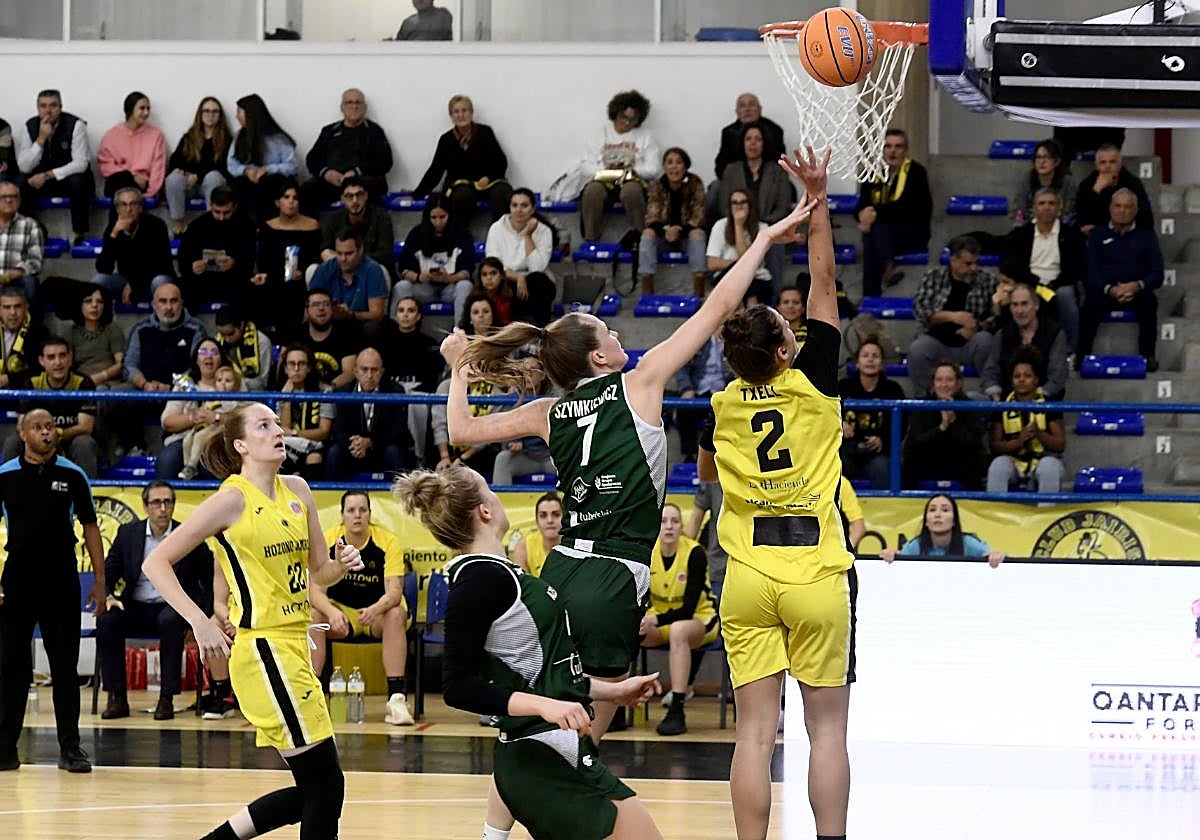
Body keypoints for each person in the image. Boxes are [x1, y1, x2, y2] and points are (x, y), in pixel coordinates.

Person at [438, 150, 817, 743]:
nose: (617, 335)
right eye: (608, 332)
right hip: (613, 576)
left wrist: (461, 366)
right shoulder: (639, 385)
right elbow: (717, 307)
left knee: (542, 725)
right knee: (583, 744)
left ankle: (498, 832)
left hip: (559, 568)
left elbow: (459, 433)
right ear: (598, 358)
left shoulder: (546, 412)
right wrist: (764, 237)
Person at [695, 147, 851, 840]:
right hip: (816, 570)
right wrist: (815, 200)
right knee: (826, 733)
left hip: (747, 576)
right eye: (789, 328)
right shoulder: (813, 379)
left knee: (754, 735)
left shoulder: (721, 405)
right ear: (786, 351)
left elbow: (705, 480)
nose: (797, 324)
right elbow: (823, 280)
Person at [393, 465, 664, 840]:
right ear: (484, 511)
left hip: (552, 752)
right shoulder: (478, 578)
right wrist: (545, 707)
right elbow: (457, 686)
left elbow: (543, 673)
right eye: (490, 488)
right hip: (541, 757)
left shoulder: (502, 573)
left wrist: (613, 691)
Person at [141, 403, 364, 839]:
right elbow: (156, 563)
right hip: (262, 652)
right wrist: (201, 621)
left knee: (319, 787)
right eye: (265, 425)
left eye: (278, 423)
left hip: (295, 645)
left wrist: (340, 564)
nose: (278, 430)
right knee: (325, 784)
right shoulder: (231, 500)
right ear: (241, 444)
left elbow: (319, 571)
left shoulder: (298, 489)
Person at [0, 409, 104, 774]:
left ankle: (71, 749)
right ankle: (5, 748)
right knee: (11, 666)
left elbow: (91, 528)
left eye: (50, 427)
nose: (46, 432)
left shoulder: (72, 475)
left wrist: (101, 584)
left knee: (65, 667)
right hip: (17, 578)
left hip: (61, 577)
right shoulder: (5, 476)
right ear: (23, 433)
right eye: (38, 427)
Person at [97, 480, 214, 721]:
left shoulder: (188, 535)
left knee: (171, 621)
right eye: (156, 503)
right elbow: (109, 570)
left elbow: (209, 577)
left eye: (167, 502)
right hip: (136, 604)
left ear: (173, 505)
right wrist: (108, 596)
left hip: (172, 607)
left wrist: (202, 615)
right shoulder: (128, 534)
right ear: (145, 506)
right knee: (108, 620)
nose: (162, 508)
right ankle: (117, 697)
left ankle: (166, 699)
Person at [308, 490, 414, 726]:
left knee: (396, 613)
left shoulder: (387, 541)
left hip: (376, 613)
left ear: (370, 514)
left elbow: (395, 592)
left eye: (362, 510)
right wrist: (333, 612)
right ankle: (311, 696)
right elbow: (314, 591)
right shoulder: (328, 540)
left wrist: (376, 609)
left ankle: (396, 699)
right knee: (314, 616)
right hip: (341, 614)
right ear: (342, 515)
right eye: (351, 510)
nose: (357, 516)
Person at [640, 502, 719, 737]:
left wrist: (655, 620)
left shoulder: (694, 553)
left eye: (674, 521)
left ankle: (677, 707)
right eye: (663, 521)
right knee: (627, 629)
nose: (669, 526)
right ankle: (617, 706)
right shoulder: (647, 553)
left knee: (678, 630)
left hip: (699, 620)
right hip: (662, 620)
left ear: (681, 526)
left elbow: (687, 609)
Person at [1078, 188, 1164, 371]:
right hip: (1105, 291)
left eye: (1127, 207)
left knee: (1149, 302)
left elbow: (1157, 273)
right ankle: (1081, 357)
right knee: (1090, 303)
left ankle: (1148, 357)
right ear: (1110, 208)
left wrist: (1136, 286)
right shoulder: (1097, 234)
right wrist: (1110, 289)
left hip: (1136, 292)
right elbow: (1090, 272)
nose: (1122, 211)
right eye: (1118, 206)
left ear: (1135, 210)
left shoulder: (1147, 236)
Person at [909, 234, 997, 396]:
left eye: (976, 263)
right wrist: (952, 317)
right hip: (937, 341)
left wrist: (977, 327)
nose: (973, 268)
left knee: (986, 340)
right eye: (968, 263)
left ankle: (990, 392)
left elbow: (996, 316)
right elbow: (920, 310)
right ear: (953, 260)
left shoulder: (988, 280)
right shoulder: (933, 277)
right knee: (918, 349)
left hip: (970, 342)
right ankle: (926, 398)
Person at [2, 337, 102, 477]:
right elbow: (21, 425)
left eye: (62, 356)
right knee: (13, 442)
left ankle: (87, 493)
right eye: (51, 357)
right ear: (41, 361)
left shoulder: (83, 383)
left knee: (84, 443)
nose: (58, 362)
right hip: (37, 441)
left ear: (70, 358)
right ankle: (9, 493)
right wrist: (41, 439)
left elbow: (85, 427)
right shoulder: (32, 383)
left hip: (70, 441)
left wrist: (56, 435)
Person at [1004, 188, 1086, 352]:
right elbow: (1015, 267)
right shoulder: (1021, 234)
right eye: (1042, 203)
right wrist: (1037, 285)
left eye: (1051, 203)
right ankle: (1016, 348)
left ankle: (1071, 350)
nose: (1046, 207)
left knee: (1066, 295)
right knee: (1018, 295)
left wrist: (1052, 286)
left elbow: (1073, 269)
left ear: (1059, 207)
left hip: (1060, 283)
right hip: (1029, 283)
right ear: (1033, 208)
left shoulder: (1071, 234)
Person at [855, 128, 933, 296]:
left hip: (910, 232)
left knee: (875, 229)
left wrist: (874, 214)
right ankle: (887, 266)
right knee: (873, 233)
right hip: (881, 234)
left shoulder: (916, 172)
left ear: (905, 150)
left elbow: (910, 209)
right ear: (881, 149)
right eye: (888, 146)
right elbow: (861, 204)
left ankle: (870, 298)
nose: (892, 151)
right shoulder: (872, 171)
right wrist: (863, 216)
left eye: (898, 147)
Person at [413, 94, 511, 223]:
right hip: (460, 187)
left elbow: (500, 161)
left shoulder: (485, 133)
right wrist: (416, 195)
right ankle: (460, 237)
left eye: (464, 110)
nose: (461, 115)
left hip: (486, 183)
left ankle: (499, 235)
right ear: (451, 116)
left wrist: (489, 177)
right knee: (462, 196)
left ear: (471, 113)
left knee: (502, 192)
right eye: (456, 112)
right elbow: (435, 170)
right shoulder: (446, 140)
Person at [578, 90, 661, 242]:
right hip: (604, 178)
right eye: (624, 118)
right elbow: (585, 167)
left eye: (633, 120)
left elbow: (654, 169)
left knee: (632, 192)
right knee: (592, 192)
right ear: (615, 114)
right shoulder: (600, 134)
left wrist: (631, 171)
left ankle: (641, 237)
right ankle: (590, 239)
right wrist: (606, 172)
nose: (627, 123)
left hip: (632, 179)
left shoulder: (645, 137)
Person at [718, 122, 793, 288]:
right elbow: (724, 204)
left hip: (768, 227)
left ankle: (774, 298)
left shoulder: (777, 171)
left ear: (764, 144)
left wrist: (761, 224)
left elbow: (783, 207)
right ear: (742, 143)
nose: (753, 143)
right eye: (748, 139)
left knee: (775, 246)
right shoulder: (731, 170)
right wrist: (743, 222)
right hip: (738, 226)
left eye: (758, 139)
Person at [15, 89, 94, 243]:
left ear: (60, 107)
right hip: (41, 181)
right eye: (43, 106)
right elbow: (24, 166)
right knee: (19, 183)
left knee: (79, 180)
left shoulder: (76, 125)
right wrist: (41, 139)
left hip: (66, 178)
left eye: (53, 106)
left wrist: (48, 175)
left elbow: (80, 163)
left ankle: (80, 232)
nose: (48, 111)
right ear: (37, 108)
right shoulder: (29, 126)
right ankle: (29, 232)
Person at [300, 88, 394, 215]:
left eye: (358, 103)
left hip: (362, 181)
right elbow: (312, 159)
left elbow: (385, 161)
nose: (354, 106)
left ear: (365, 108)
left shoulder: (374, 131)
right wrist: (326, 173)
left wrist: (356, 172)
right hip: (333, 183)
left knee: (370, 188)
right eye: (349, 103)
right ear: (342, 107)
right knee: (307, 190)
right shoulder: (329, 131)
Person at [987, 348, 1065, 495]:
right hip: (1015, 462)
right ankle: (995, 515)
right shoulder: (1003, 404)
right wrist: (1019, 441)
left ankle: (1046, 517)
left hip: (1043, 460)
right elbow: (995, 446)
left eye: (1027, 376)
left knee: (1049, 467)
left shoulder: (1048, 403)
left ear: (1036, 379)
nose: (1021, 380)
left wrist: (1039, 434)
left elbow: (1060, 444)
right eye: (1017, 376)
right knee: (998, 466)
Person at [326, 347, 412, 479]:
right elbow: (339, 430)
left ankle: (401, 498)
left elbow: (398, 431)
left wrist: (371, 442)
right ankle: (332, 498)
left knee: (394, 452)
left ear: (382, 371)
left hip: (381, 447)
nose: (369, 376)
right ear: (355, 371)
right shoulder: (344, 392)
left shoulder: (395, 391)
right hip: (353, 449)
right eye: (364, 369)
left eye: (374, 370)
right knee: (334, 453)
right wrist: (355, 444)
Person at [392, 193, 476, 322]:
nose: (438, 222)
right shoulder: (416, 234)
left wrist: (449, 278)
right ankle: (396, 331)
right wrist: (419, 277)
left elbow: (468, 270)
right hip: (424, 287)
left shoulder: (462, 233)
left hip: (451, 287)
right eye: (434, 217)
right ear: (427, 217)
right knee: (401, 287)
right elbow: (404, 269)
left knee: (465, 286)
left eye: (442, 217)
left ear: (450, 215)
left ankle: (461, 332)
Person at [252, 178, 322, 332]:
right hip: (274, 277)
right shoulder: (267, 227)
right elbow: (264, 260)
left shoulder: (312, 226)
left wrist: (303, 271)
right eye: (287, 197)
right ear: (278, 202)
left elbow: (315, 257)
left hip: (302, 278)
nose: (291, 202)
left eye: (295, 198)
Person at [901, 361, 984, 489]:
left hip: (958, 461)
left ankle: (974, 505)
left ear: (958, 384)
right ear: (933, 384)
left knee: (972, 462)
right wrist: (942, 427)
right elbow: (913, 444)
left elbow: (975, 444)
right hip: (929, 460)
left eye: (949, 380)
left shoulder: (969, 406)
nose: (944, 385)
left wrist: (953, 422)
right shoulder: (922, 406)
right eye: (939, 380)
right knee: (910, 462)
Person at [155, 337, 230, 479]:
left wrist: (216, 418)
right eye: (203, 351)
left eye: (214, 352)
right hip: (183, 438)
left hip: (219, 440)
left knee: (212, 465)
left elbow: (244, 418)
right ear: (196, 359)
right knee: (167, 462)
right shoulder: (184, 384)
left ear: (221, 359)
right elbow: (167, 422)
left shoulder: (234, 383)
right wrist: (192, 418)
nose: (208, 356)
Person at [982, 281, 1069, 401]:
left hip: (1045, 403)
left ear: (1036, 305)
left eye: (1024, 304)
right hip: (1006, 402)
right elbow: (990, 371)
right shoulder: (1002, 334)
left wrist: (1035, 399)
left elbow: (1057, 376)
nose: (1019, 311)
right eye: (1015, 305)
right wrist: (996, 396)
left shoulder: (1055, 333)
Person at [839, 337, 907, 489]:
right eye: (865, 356)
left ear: (882, 363)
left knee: (882, 467)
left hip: (878, 454)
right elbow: (824, 414)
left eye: (875, 356)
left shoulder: (893, 390)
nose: (870, 360)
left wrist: (883, 439)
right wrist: (838, 423)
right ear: (857, 362)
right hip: (847, 451)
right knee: (835, 466)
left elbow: (903, 425)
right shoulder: (842, 387)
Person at [639, 146, 707, 296]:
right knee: (647, 234)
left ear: (686, 166)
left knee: (698, 234)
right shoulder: (656, 185)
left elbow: (699, 215)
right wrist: (666, 231)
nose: (674, 167)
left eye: (679, 162)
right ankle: (647, 292)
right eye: (670, 162)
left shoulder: (695, 183)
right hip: (663, 236)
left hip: (686, 236)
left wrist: (679, 230)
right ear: (664, 167)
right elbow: (651, 216)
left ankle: (699, 292)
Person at [91, 186, 177, 305]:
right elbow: (103, 268)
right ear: (117, 209)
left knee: (160, 281)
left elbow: (161, 265)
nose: (128, 209)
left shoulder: (157, 225)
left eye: (133, 204)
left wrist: (134, 284)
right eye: (123, 204)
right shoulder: (113, 229)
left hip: (153, 279)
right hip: (125, 280)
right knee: (99, 280)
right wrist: (113, 235)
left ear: (140, 207)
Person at [484, 188, 556, 327]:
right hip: (506, 277)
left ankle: (541, 331)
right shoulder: (496, 228)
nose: (519, 210)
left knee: (540, 282)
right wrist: (518, 277)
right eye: (515, 205)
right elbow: (493, 265)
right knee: (500, 285)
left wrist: (528, 235)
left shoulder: (544, 231)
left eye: (524, 205)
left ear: (533, 208)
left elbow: (537, 267)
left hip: (533, 280)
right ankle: (509, 334)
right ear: (509, 207)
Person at [176, 185, 257, 307]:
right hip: (202, 280)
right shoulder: (197, 225)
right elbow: (183, 258)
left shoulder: (246, 226)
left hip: (233, 280)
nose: (221, 217)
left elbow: (249, 261)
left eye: (226, 212)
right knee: (179, 289)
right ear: (211, 205)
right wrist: (193, 266)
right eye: (217, 212)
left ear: (235, 207)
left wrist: (234, 262)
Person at [124, 281, 208, 392]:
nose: (169, 307)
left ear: (181, 303)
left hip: (182, 392)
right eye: (163, 301)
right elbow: (129, 365)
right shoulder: (140, 329)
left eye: (174, 301)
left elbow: (197, 367)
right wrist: (144, 384)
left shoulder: (196, 329)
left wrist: (172, 388)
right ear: (154, 305)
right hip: (145, 390)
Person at [165, 96, 231, 236]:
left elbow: (222, 166)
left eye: (215, 112)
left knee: (214, 177)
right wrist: (181, 171)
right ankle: (178, 223)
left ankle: (212, 222)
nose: (210, 115)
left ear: (220, 115)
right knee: (173, 178)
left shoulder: (227, 139)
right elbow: (176, 160)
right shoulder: (189, 137)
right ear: (200, 114)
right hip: (188, 185)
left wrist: (197, 175)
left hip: (210, 186)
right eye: (206, 111)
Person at [226, 94, 297, 222]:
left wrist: (267, 169)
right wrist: (246, 171)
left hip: (272, 181)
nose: (236, 116)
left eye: (239, 112)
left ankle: (266, 228)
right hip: (249, 180)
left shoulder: (278, 137)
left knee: (267, 184)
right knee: (237, 185)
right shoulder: (239, 136)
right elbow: (231, 164)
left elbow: (292, 166)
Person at [880, 494, 1004, 566]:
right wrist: (890, 556)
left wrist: (996, 556)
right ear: (926, 522)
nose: (937, 515)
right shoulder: (916, 545)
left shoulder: (969, 543)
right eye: (932, 510)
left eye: (945, 510)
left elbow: (994, 557)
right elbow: (898, 560)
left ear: (954, 520)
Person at [491, 357, 556, 485]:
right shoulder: (512, 398)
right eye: (523, 371)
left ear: (542, 376)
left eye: (532, 370)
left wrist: (525, 441)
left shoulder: (553, 397)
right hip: (525, 456)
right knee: (503, 459)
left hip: (551, 457)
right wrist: (511, 442)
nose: (527, 375)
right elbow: (498, 427)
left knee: (576, 457)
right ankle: (503, 503)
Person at [308, 227, 389, 327]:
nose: (343, 259)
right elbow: (310, 308)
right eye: (339, 253)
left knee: (372, 328)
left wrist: (350, 314)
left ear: (360, 250)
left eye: (349, 253)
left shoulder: (372, 270)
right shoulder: (324, 270)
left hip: (359, 326)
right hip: (328, 326)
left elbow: (377, 314)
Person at [96, 91, 167, 201]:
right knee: (123, 182)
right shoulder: (111, 135)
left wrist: (149, 194)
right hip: (117, 182)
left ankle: (118, 218)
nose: (146, 112)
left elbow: (158, 169)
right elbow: (105, 166)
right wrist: (132, 176)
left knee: (124, 194)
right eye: (142, 108)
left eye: (148, 108)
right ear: (130, 109)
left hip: (141, 186)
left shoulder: (156, 136)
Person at [179, 364, 246, 480]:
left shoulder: (235, 399)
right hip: (205, 425)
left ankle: (192, 465)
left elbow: (234, 417)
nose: (223, 384)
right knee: (187, 440)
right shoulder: (211, 394)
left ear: (235, 383)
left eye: (228, 380)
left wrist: (217, 417)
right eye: (219, 380)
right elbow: (204, 409)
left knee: (199, 438)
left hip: (222, 428)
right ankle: (187, 467)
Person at [278, 343, 334, 479]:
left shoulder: (324, 391)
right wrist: (286, 398)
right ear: (285, 368)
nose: (296, 369)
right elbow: (284, 429)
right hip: (289, 445)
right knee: (279, 457)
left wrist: (295, 433)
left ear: (309, 367)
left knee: (314, 458)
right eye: (292, 364)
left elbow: (324, 431)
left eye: (301, 364)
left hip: (315, 444)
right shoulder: (280, 393)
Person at [707, 189, 773, 306]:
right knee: (740, 270)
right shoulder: (720, 225)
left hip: (758, 279)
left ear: (750, 205)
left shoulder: (763, 228)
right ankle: (751, 303)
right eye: (735, 203)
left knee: (745, 272)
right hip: (726, 277)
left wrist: (738, 225)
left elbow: (747, 260)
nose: (739, 206)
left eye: (743, 202)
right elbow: (712, 263)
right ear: (730, 206)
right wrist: (737, 265)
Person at [317, 175, 395, 273]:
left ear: (366, 196)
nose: (355, 201)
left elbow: (385, 254)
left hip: (372, 271)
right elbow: (325, 251)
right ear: (342, 199)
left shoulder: (381, 217)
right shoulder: (332, 219)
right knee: (313, 269)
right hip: (340, 271)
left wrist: (353, 262)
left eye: (359, 195)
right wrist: (348, 263)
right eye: (350, 196)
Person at [284, 288, 360, 389]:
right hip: (301, 391)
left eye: (326, 304)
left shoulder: (346, 333)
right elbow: (285, 368)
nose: (321, 308)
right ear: (307, 311)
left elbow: (349, 373)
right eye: (316, 304)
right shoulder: (296, 334)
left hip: (333, 394)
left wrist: (326, 390)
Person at [674, 333, 731, 463]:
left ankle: (723, 457)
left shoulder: (735, 339)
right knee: (685, 409)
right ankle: (690, 455)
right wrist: (687, 389)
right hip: (699, 390)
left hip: (725, 391)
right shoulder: (698, 338)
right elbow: (681, 365)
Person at [1074, 143, 1152, 236]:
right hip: (1095, 238)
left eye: (1112, 162)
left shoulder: (1133, 184)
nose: (1107, 166)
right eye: (1103, 162)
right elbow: (1081, 220)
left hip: (1126, 236)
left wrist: (1105, 229)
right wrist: (1095, 191)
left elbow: (1146, 219)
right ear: (1096, 165)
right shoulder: (1087, 184)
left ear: (1120, 164)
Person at [713, 93, 786, 185]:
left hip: (767, 178)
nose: (747, 109)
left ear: (760, 109)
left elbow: (781, 162)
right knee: (715, 187)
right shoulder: (728, 132)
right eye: (742, 106)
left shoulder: (774, 130)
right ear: (737, 112)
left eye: (751, 105)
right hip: (736, 177)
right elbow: (721, 163)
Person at [379, 295, 440, 393]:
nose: (405, 315)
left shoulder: (429, 343)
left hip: (419, 391)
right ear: (396, 316)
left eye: (411, 311)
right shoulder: (384, 341)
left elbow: (432, 377)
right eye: (401, 310)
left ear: (418, 316)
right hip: (391, 390)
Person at [1010, 138, 1076, 226]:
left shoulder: (1068, 182)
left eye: (1046, 157)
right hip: (1031, 225)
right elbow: (1019, 208)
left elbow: (1069, 212)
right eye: (1038, 157)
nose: (1041, 162)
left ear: (1057, 161)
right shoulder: (1027, 179)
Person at [0, 181, 43, 306]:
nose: (9, 200)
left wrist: (7, 277)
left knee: (30, 282)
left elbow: (35, 263)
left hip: (15, 280)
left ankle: (29, 325)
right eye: (3, 197)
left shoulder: (31, 225)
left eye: (13, 197)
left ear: (19, 201)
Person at [0, 285, 51, 387]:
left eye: (17, 306)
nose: (13, 312)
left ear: (26, 307)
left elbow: (41, 369)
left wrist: (9, 379)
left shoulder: (39, 332)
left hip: (22, 394)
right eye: (7, 307)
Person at [214, 305, 273, 391]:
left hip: (255, 396)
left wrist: (236, 382)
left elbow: (263, 383)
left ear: (241, 325)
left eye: (231, 334)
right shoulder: (217, 342)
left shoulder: (262, 342)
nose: (227, 339)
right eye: (223, 335)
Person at [510, 492, 562, 577]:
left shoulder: (574, 545)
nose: (550, 520)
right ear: (537, 521)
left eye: (556, 514)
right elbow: (522, 585)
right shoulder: (524, 546)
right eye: (543, 515)